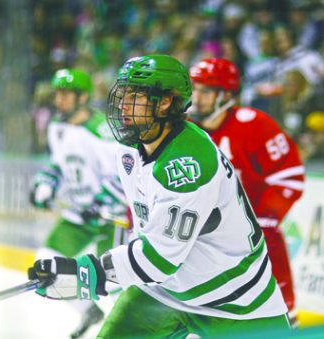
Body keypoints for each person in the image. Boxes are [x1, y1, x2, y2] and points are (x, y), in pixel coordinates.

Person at [27, 55, 290, 338]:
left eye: (136, 96)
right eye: (124, 93)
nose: (124, 104)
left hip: (233, 296)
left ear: (165, 102)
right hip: (162, 290)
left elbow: (159, 258)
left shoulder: (187, 163)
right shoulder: (129, 147)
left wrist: (84, 273)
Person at [188, 58, 305, 322]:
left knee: (266, 235)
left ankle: (285, 311)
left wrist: (267, 214)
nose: (197, 97)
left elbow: (290, 176)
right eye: (194, 89)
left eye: (205, 91)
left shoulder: (253, 125)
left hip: (248, 223)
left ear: (226, 95)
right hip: (202, 225)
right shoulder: (184, 129)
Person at [29, 68, 129, 338]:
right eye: (57, 94)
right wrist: (45, 183)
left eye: (66, 94)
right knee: (45, 263)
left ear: (82, 97)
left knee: (117, 284)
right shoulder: (56, 127)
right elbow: (59, 165)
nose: (59, 100)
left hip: (113, 220)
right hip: (78, 216)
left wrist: (100, 203)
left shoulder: (103, 131)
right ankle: (88, 310)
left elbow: (125, 174)